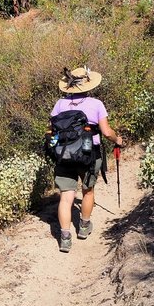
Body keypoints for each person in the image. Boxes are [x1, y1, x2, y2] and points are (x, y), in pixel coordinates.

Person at [51, 67, 122, 253]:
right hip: (89, 153)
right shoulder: (96, 104)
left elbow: (51, 130)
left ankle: (65, 238)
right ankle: (83, 227)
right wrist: (118, 140)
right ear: (89, 84)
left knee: (66, 197)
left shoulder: (60, 104)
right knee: (87, 191)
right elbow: (106, 132)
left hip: (64, 154)